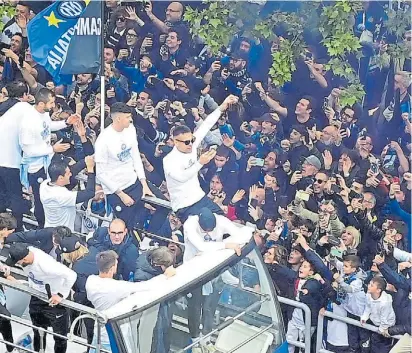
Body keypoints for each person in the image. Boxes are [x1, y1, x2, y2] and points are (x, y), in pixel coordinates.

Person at [163, 94, 238, 222]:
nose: (191, 144)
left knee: (221, 219)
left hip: (200, 198)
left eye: (191, 140)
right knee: (205, 225)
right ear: (176, 142)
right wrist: (200, 163)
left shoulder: (190, 145)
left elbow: (206, 124)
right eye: (186, 142)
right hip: (184, 205)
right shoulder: (169, 160)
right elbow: (181, 177)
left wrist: (223, 105)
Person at [86, 250, 175, 353]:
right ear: (112, 268)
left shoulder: (91, 281)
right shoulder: (117, 287)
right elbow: (145, 286)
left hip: (98, 329)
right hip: (114, 333)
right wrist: (165, 276)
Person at [19, 88, 79, 228]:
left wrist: (66, 123)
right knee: (41, 200)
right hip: (35, 167)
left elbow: (48, 126)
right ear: (41, 103)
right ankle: (42, 228)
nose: (53, 106)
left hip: (47, 159)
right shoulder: (28, 122)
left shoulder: (43, 114)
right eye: (51, 103)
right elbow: (28, 150)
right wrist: (52, 149)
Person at [4, 243, 77, 353]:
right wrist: (7, 267)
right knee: (37, 330)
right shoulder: (26, 252)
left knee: (59, 337)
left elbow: (71, 275)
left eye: (17, 262)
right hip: (36, 297)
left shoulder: (46, 265)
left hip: (54, 302)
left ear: (24, 258)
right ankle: (37, 351)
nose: (17, 264)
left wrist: (60, 295)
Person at [95, 102, 156, 229]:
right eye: (128, 117)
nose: (131, 119)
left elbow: (136, 157)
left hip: (134, 182)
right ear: (118, 118)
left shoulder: (131, 129)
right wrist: (121, 194)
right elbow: (100, 174)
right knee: (128, 227)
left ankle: (147, 239)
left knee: (160, 206)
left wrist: (144, 183)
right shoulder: (103, 140)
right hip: (117, 190)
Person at [40, 155, 96, 230]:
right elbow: (90, 193)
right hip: (62, 235)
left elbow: (72, 170)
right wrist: (90, 169)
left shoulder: (44, 185)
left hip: (48, 229)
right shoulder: (62, 195)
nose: (71, 174)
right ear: (60, 178)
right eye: (68, 173)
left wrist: (85, 161)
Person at [361, 276, 396, 353]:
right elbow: (368, 307)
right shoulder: (368, 295)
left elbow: (385, 318)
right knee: (372, 346)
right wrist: (364, 317)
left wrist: (382, 329)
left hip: (386, 326)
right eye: (369, 284)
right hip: (375, 323)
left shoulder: (385, 302)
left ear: (378, 290)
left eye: (372, 285)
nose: (368, 286)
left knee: (381, 349)